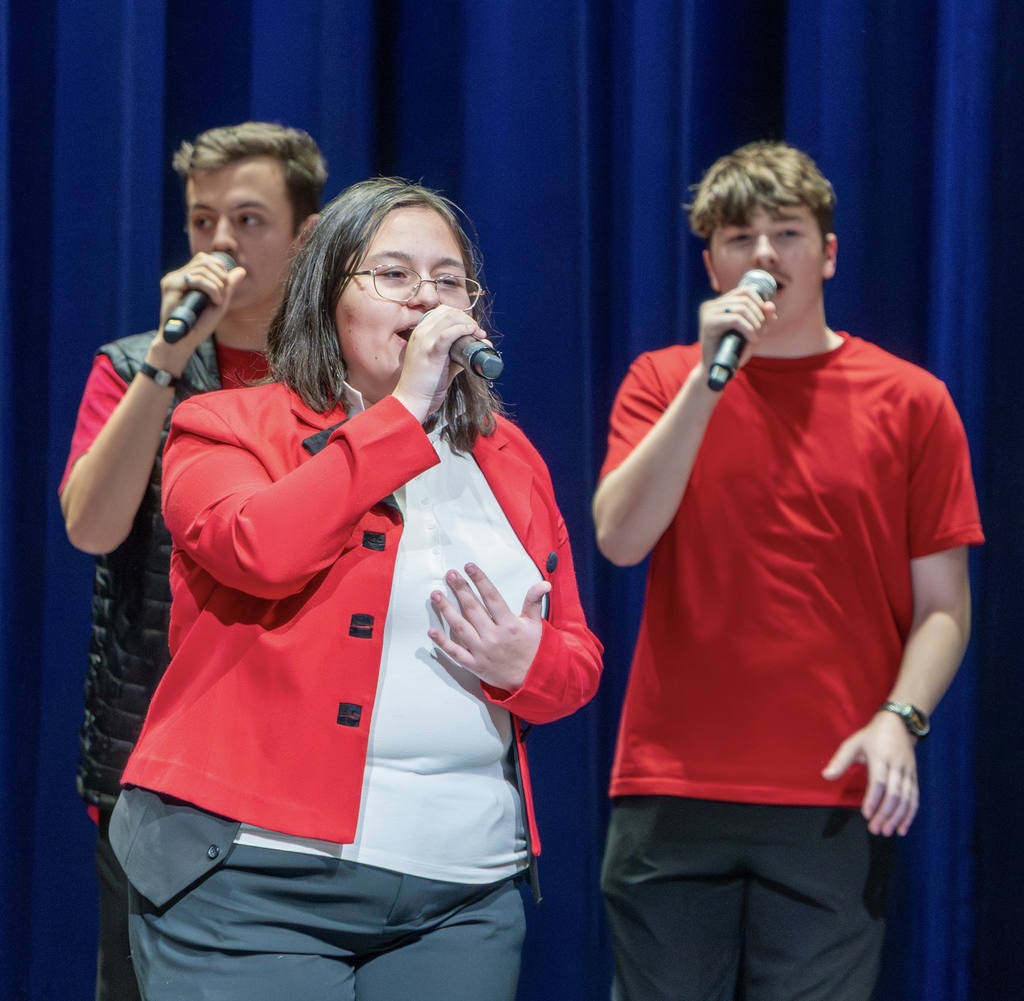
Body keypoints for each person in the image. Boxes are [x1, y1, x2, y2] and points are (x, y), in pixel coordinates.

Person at [107, 176, 603, 1001]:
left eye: (449, 280)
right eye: (395, 274)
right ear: (327, 294)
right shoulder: (226, 425)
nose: (427, 298)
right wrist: (403, 412)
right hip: (250, 875)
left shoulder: (508, 454)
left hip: (460, 891)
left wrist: (526, 661)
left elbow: (577, 658)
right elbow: (260, 550)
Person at [594, 141, 983, 1001]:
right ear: (711, 261)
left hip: (833, 790)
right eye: (739, 238)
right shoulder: (663, 381)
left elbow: (944, 606)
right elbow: (620, 539)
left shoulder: (912, 401)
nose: (764, 256)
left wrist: (900, 720)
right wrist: (707, 380)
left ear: (830, 252)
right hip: (671, 785)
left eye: (787, 233)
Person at [59, 120, 327, 1001]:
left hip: (301, 756)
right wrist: (167, 363)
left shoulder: (342, 377)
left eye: (248, 220)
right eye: (202, 220)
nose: (221, 243)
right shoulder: (136, 366)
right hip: (156, 762)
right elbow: (91, 528)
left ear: (305, 234)